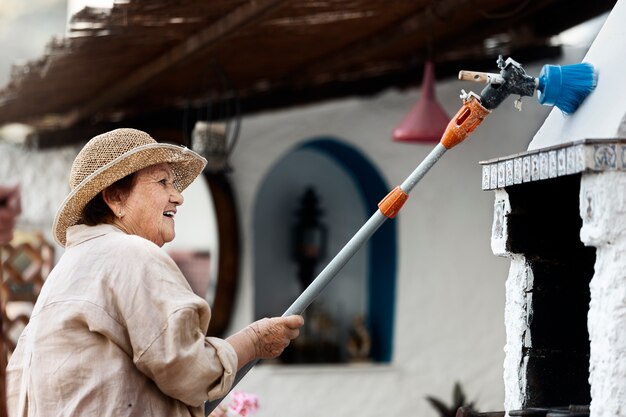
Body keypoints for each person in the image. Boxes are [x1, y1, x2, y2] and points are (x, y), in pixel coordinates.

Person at [6, 128, 304, 417]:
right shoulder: (131, 253)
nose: (178, 197)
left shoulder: (64, 273)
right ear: (115, 198)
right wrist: (253, 341)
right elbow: (189, 369)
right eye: (162, 182)